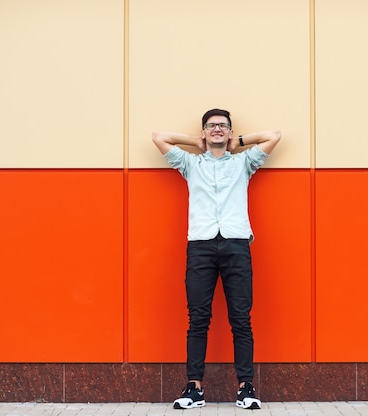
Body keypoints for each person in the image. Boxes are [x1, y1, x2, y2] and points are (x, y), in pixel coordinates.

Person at [152, 109, 281, 409]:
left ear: (230, 131)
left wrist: (240, 141)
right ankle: (194, 389)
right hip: (201, 246)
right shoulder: (190, 164)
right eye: (211, 126)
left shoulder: (243, 163)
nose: (217, 130)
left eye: (223, 126)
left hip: (236, 244)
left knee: (241, 320)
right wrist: (195, 142)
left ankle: (246, 388)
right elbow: (159, 137)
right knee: (198, 319)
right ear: (204, 132)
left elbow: (274, 135)